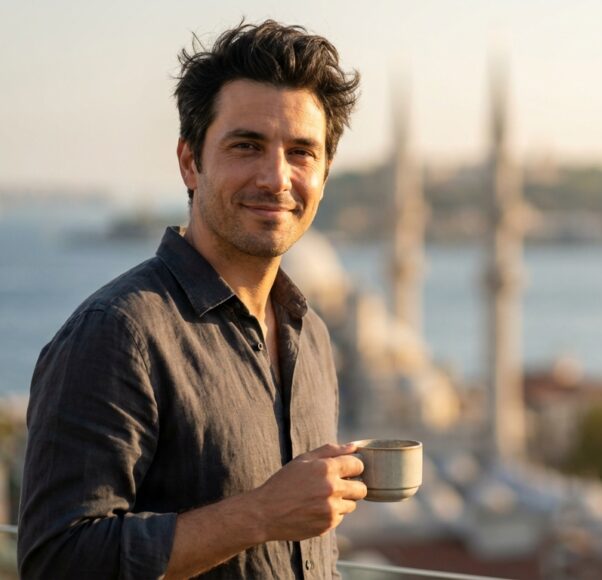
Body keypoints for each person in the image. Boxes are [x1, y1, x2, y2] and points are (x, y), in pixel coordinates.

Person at [17, 20, 367, 579]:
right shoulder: (117, 333)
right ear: (189, 161)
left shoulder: (312, 335)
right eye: (246, 146)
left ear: (324, 174)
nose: (276, 177)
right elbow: (58, 560)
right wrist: (260, 515)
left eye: (301, 152)